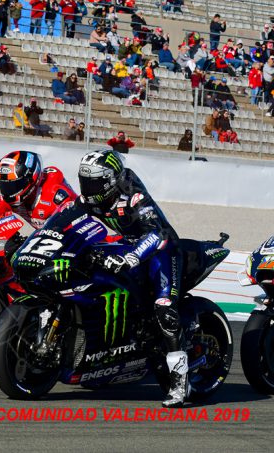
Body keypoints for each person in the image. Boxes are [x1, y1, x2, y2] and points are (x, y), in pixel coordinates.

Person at [76, 149, 187, 407]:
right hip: (127, 245)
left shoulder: (133, 196)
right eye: (84, 181)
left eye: (93, 183)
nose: (87, 188)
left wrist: (131, 257)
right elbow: (65, 218)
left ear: (109, 181)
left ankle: (179, 384)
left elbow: (157, 233)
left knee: (164, 308)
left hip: (161, 249)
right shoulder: (90, 199)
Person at [0, 151, 76, 231]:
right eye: (5, 185)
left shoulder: (55, 196)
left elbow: (73, 231)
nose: (9, 191)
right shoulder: (10, 197)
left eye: (14, 185)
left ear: (31, 178)